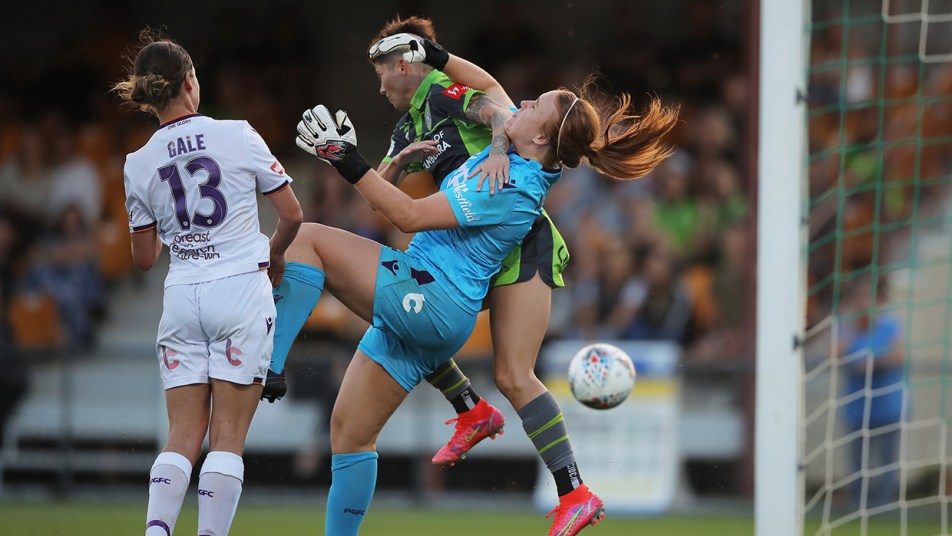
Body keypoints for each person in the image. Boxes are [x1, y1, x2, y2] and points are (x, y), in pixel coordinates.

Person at [275, 35, 678, 535]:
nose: (378, 82)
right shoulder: (422, 130)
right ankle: (473, 410)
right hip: (448, 256)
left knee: (512, 372)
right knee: (351, 427)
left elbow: (481, 101)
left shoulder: (456, 107)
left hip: (510, 246)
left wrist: (351, 155)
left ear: (407, 65)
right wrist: (392, 160)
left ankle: (571, 489)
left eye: (383, 69)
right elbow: (393, 196)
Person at [112, 28, 303, 536]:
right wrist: (274, 254)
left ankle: (156, 530)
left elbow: (145, 259)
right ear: (191, 82)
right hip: (240, 288)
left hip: (182, 297)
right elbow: (292, 213)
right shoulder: (238, 133)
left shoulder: (137, 163)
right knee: (227, 438)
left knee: (182, 434)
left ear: (149, 96)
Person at [839, 276, 906, 509]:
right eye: (858, 298)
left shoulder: (889, 325)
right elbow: (833, 353)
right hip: (858, 407)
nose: (862, 303)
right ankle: (858, 505)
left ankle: (885, 506)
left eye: (867, 297)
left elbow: (899, 355)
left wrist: (873, 362)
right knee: (858, 462)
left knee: (887, 460)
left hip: (887, 405)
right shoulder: (848, 328)